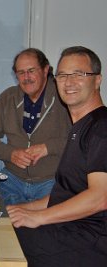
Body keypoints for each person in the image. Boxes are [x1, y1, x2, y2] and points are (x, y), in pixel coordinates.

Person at [7, 46, 107, 266]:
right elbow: (67, 194)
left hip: (88, 242)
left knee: (1, 245)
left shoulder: (101, 129)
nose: (68, 82)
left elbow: (101, 197)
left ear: (97, 80)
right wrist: (21, 210)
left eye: (79, 74)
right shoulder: (78, 128)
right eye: (62, 75)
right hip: (67, 229)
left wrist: (37, 217)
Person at [0, 48, 72, 205]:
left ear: (46, 69)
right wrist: (10, 153)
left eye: (31, 71)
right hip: (11, 180)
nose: (26, 77)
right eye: (21, 73)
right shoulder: (8, 97)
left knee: (41, 227)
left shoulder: (66, 97)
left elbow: (83, 139)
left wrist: (48, 147)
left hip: (52, 182)